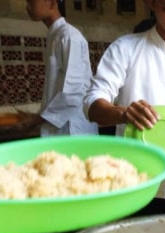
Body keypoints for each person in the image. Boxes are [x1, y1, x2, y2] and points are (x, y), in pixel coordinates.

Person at [84, 0, 165, 216]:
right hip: (134, 184)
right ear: (152, 4)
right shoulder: (125, 50)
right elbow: (92, 105)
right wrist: (123, 113)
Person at [22, 0, 98, 136]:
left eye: (31, 1)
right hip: (60, 128)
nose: (27, 6)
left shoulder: (69, 36)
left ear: (52, 3)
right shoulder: (55, 36)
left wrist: (38, 119)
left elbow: (73, 92)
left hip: (73, 129)